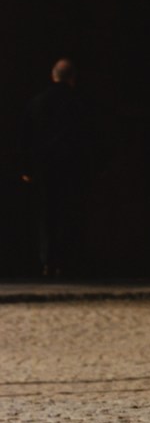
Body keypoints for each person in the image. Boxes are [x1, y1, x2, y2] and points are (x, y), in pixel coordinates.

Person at [20, 58, 92, 279]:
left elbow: (26, 139)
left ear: (53, 76)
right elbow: (88, 139)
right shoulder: (79, 104)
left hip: (43, 168)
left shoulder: (36, 102)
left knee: (46, 216)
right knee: (69, 215)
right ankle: (64, 261)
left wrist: (26, 169)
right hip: (71, 168)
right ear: (72, 79)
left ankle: (47, 262)